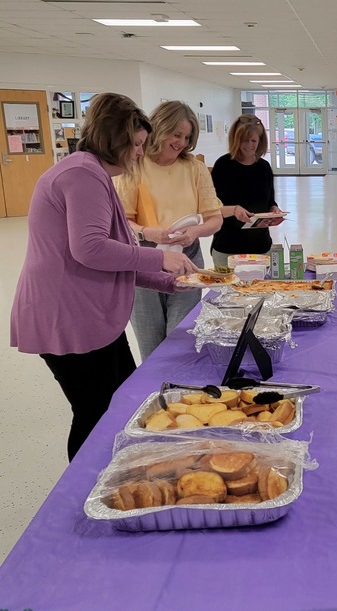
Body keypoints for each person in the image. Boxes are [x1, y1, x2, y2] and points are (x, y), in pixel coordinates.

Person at [10, 93, 198, 461]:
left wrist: (169, 282)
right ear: (118, 138)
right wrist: (159, 257)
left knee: (121, 402)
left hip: (86, 314)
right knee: (97, 414)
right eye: (138, 144)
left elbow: (109, 257)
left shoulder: (91, 173)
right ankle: (82, 493)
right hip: (66, 316)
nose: (141, 153)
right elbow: (91, 249)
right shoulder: (82, 174)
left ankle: (113, 475)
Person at [115, 101, 223, 361]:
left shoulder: (194, 168)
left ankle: (180, 395)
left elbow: (215, 219)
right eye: (176, 135)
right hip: (143, 259)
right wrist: (148, 233)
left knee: (180, 337)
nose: (181, 143)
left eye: (186, 137)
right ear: (159, 129)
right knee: (151, 342)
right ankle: (156, 396)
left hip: (187, 258)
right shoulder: (134, 167)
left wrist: (195, 232)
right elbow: (121, 222)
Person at [209, 114, 285, 268]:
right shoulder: (223, 166)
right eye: (244, 140)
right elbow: (211, 208)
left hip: (260, 248)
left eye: (254, 141)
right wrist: (234, 210)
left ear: (260, 141)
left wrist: (274, 210)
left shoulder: (264, 168)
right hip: (227, 249)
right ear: (235, 139)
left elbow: (269, 201)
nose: (249, 145)